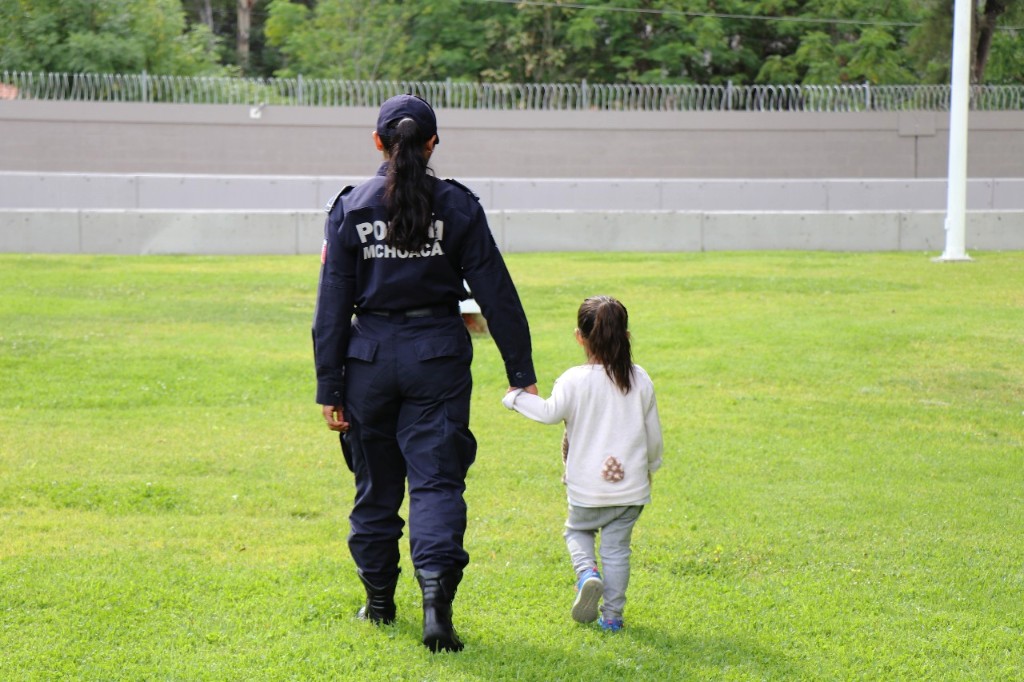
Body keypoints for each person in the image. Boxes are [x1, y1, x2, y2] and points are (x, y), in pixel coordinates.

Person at [312, 94, 537, 653]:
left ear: (378, 143)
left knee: (376, 488)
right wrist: (520, 372)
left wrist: (329, 387)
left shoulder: (351, 207)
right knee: (437, 482)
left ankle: (380, 603)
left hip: (367, 361)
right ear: (433, 142)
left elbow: (332, 305)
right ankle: (438, 610)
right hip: (436, 355)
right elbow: (496, 291)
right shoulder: (457, 206)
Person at [502, 295, 662, 632]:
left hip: (587, 488)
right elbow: (653, 436)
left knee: (578, 531)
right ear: (626, 336)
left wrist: (515, 397)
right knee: (618, 550)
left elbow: (548, 412)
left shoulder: (573, 380)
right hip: (631, 488)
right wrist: (653, 466)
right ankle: (613, 618)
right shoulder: (640, 378)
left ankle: (588, 572)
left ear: (580, 337)